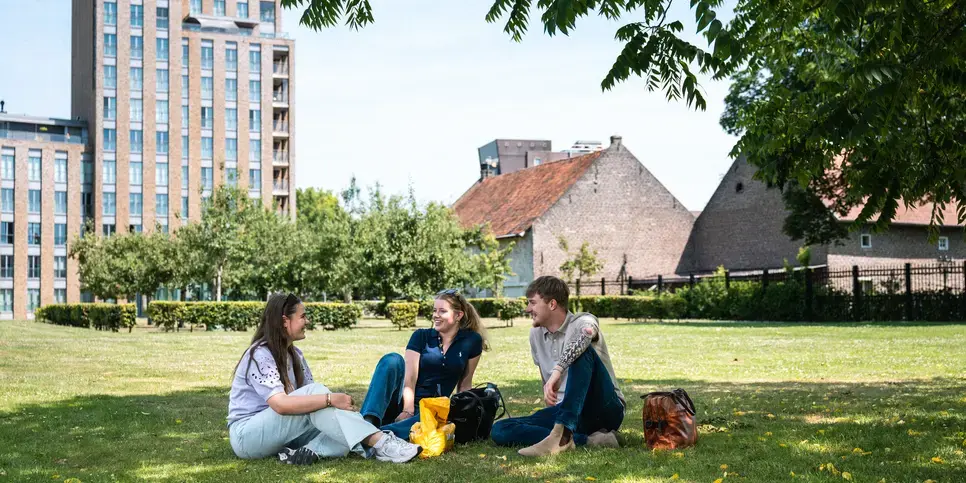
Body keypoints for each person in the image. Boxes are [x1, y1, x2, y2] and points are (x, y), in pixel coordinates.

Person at [227, 293, 422, 465]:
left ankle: (310, 451)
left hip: (281, 434)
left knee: (340, 426)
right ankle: (382, 443)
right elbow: (281, 405)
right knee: (321, 399)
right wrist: (330, 399)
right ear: (284, 321)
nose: (307, 321)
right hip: (247, 437)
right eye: (303, 316)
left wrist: (337, 409)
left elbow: (316, 406)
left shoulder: (296, 355)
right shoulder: (260, 354)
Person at [490, 276, 625, 456]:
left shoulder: (582, 321)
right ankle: (588, 440)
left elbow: (586, 334)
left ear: (552, 304)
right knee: (501, 429)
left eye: (532, 303)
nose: (527, 309)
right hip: (565, 411)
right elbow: (545, 382)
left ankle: (563, 432)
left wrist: (558, 370)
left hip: (603, 407)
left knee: (582, 349)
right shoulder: (536, 334)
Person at [359, 289, 487, 439]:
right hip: (403, 404)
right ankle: (367, 424)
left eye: (442, 311)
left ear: (458, 315)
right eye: (434, 311)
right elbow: (410, 378)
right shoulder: (421, 336)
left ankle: (376, 435)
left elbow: (465, 383)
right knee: (392, 359)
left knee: (431, 418)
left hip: (432, 410)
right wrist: (407, 410)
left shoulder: (472, 341)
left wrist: (463, 412)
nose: (435, 315)